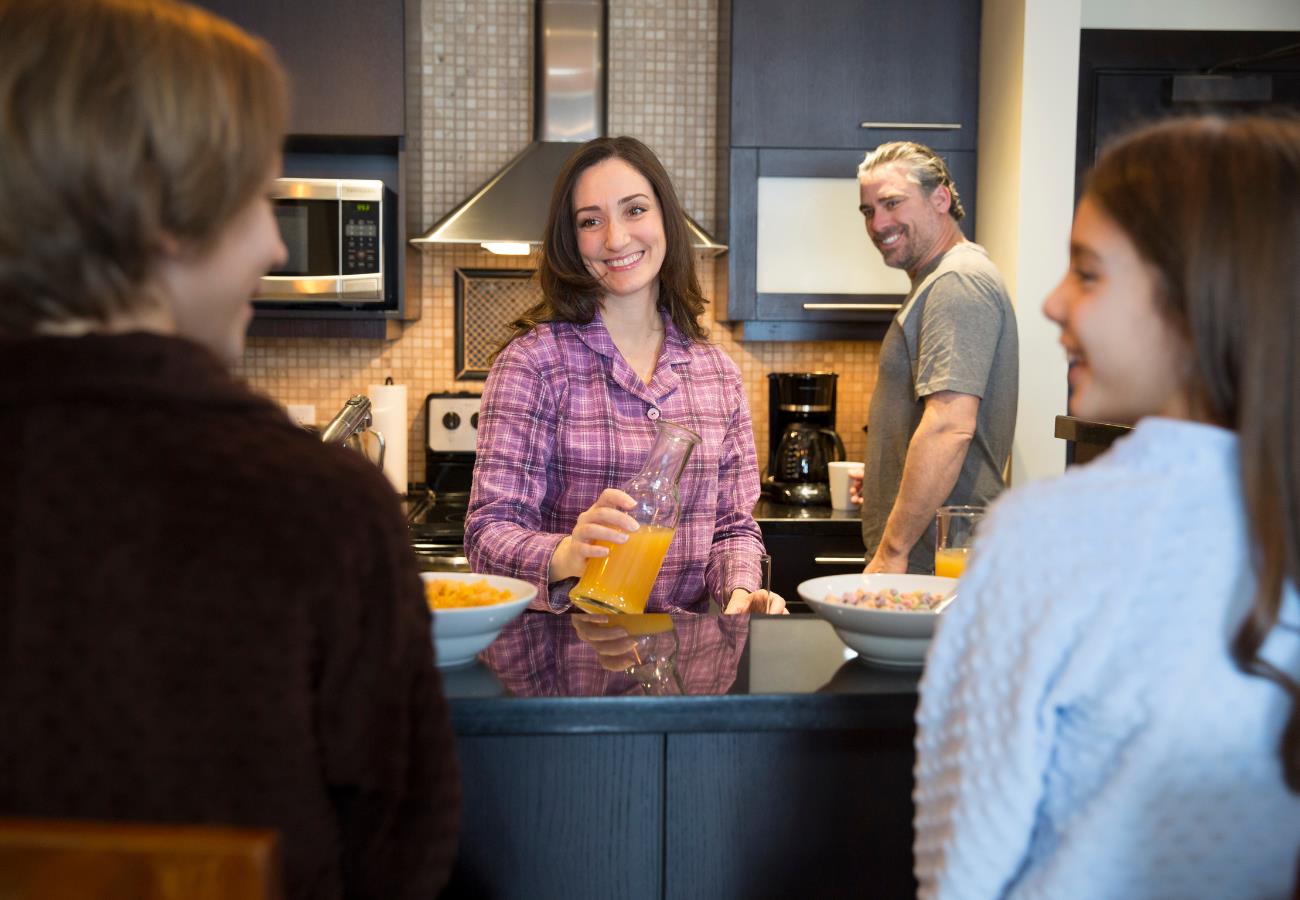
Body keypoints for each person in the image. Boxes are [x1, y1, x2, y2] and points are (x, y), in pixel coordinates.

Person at [0, 1, 459, 897]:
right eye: (259, 196)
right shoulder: (318, 508)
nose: (275, 241)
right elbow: (403, 852)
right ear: (162, 218)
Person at [913, 115, 1300, 898]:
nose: (1053, 303)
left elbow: (964, 869)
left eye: (1087, 273)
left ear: (1196, 297)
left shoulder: (1041, 536)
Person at [465, 136, 780, 615]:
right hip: (565, 664)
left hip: (682, 671)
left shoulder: (718, 374)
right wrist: (567, 554)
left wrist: (741, 591)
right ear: (571, 242)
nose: (615, 238)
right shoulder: (533, 363)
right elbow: (487, 535)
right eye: (591, 221)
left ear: (665, 219)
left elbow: (732, 528)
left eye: (634, 210)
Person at [855, 142, 1018, 574]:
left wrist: (892, 551)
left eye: (892, 203)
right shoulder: (939, 280)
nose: (878, 223)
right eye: (868, 210)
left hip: (936, 562)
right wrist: (884, 478)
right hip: (930, 553)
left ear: (940, 198)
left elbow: (949, 427)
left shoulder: (957, 281)